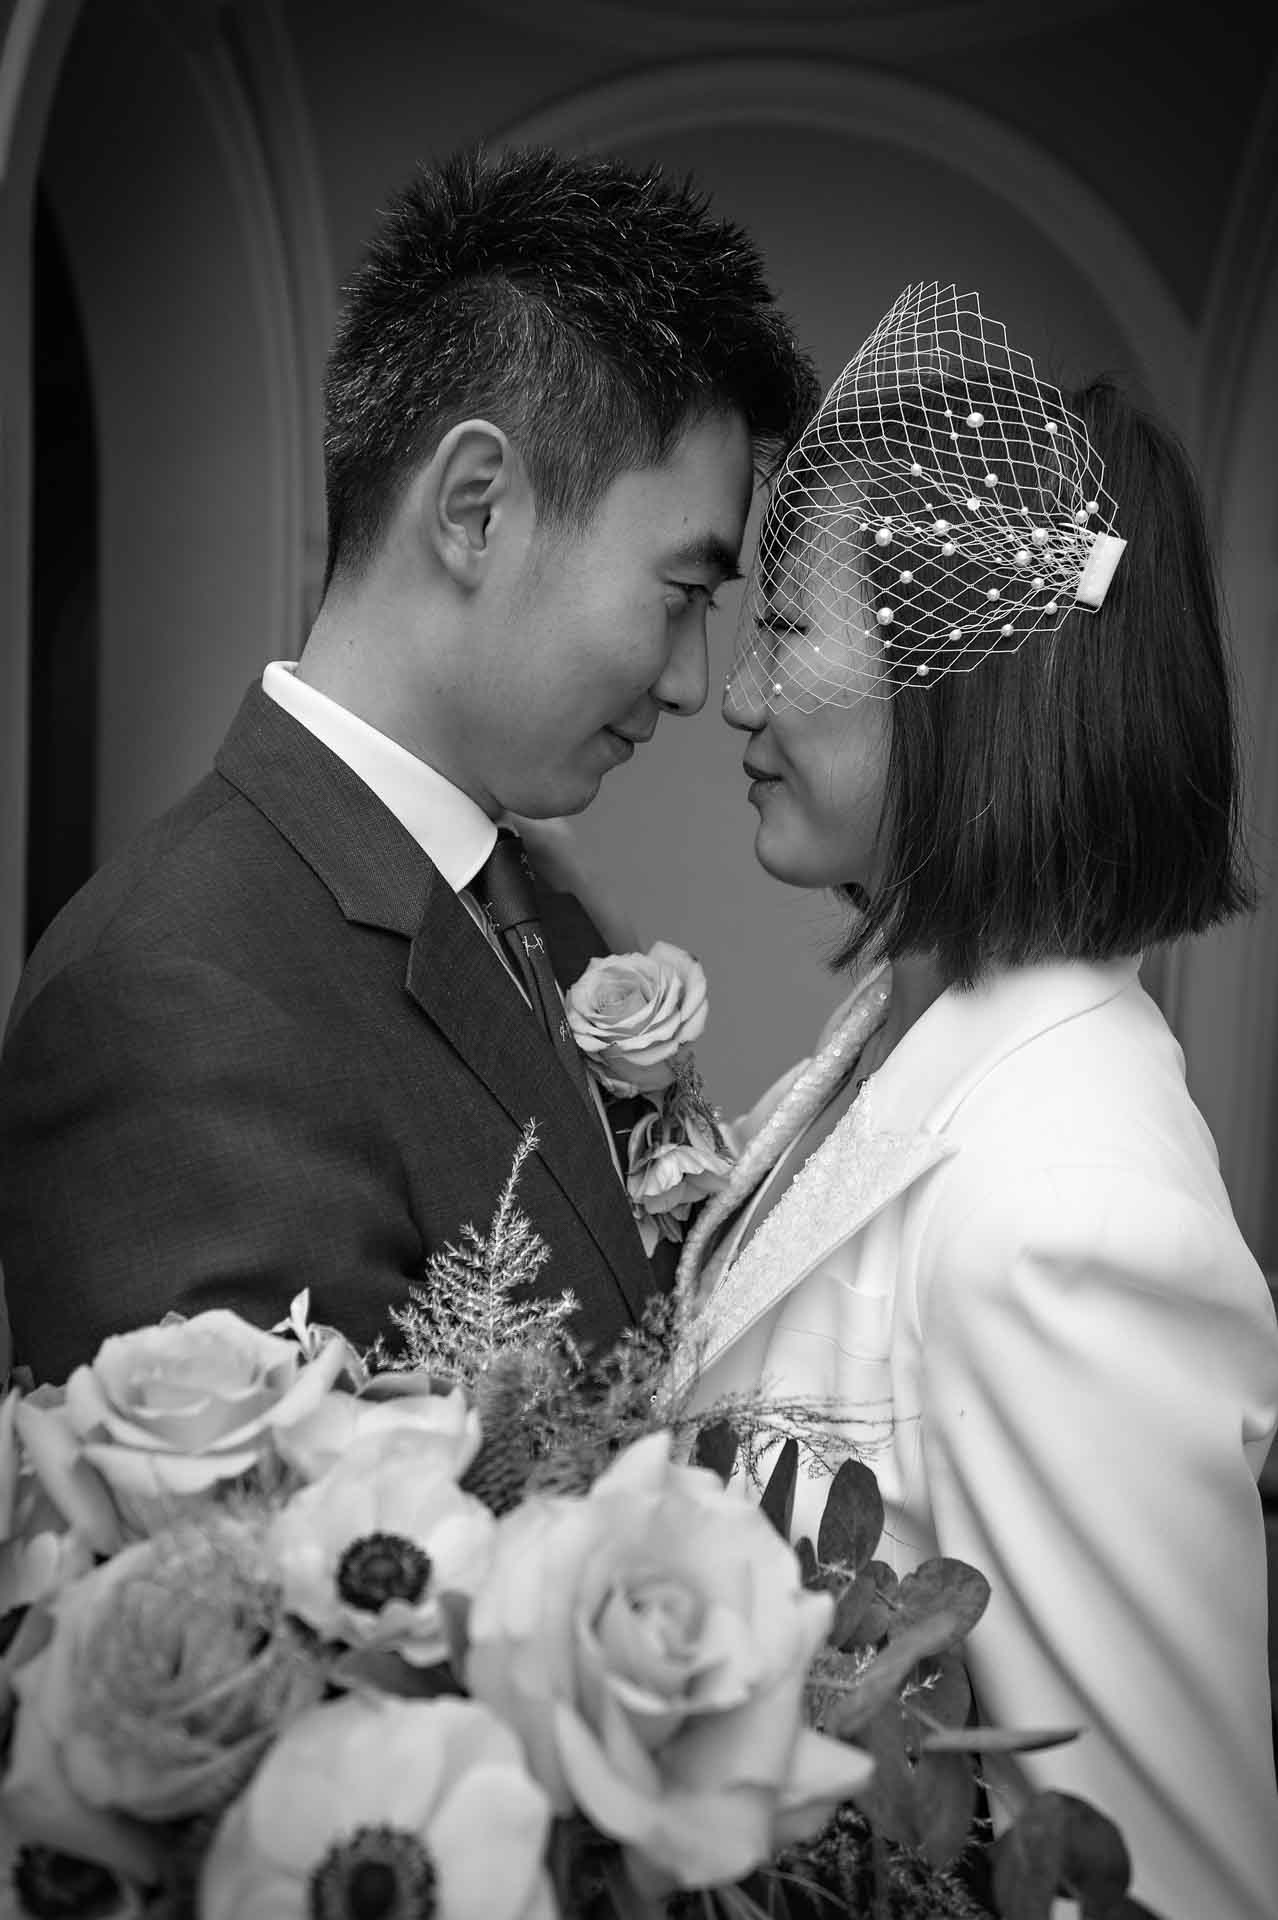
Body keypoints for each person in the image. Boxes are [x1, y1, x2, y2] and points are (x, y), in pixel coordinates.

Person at [0, 144, 818, 1384]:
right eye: (681, 593)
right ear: (478, 506)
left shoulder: (538, 908)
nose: (690, 683)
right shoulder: (171, 995)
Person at [680, 285, 1278, 1920]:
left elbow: (1166, 1877)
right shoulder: (889, 1024)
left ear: (966, 682)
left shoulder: (1069, 1204)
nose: (733, 698)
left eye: (785, 632)